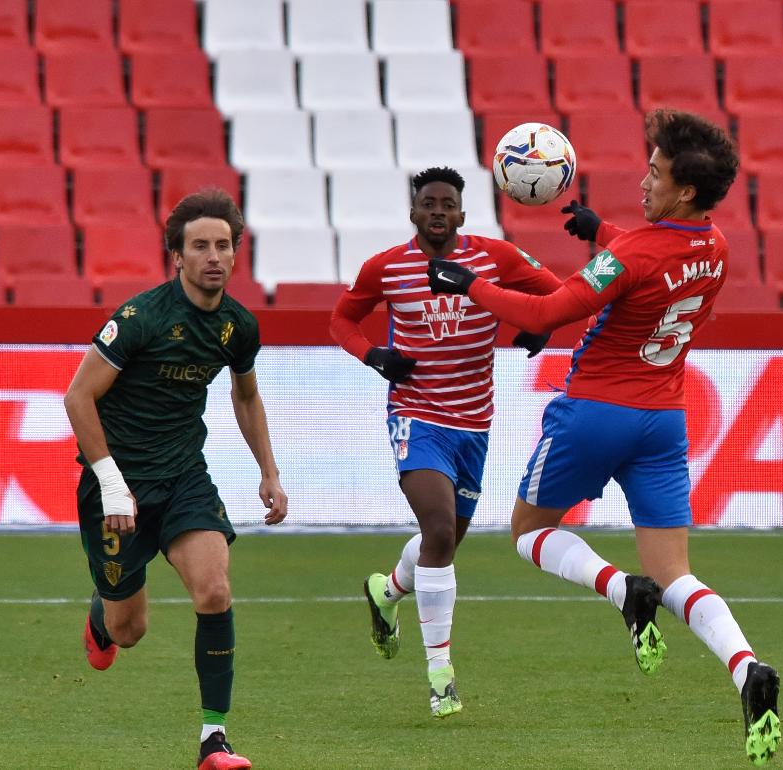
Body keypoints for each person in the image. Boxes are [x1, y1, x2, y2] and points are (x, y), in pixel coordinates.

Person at [426, 110, 782, 765]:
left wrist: (470, 284)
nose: (644, 181)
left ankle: (620, 588)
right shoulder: (717, 246)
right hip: (663, 421)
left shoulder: (634, 254)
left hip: (594, 413)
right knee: (676, 573)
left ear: (685, 191)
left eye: (656, 173)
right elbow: (655, 260)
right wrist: (603, 233)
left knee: (529, 531)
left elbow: (547, 310)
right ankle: (747, 669)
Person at [64, 189, 288, 770]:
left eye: (223, 245)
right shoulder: (140, 319)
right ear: (177, 257)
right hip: (118, 484)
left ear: (235, 253)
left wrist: (269, 471)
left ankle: (214, 739)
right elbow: (78, 397)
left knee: (214, 591)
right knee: (129, 630)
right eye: (200, 246)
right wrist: (111, 481)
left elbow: (246, 396)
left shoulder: (238, 326)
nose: (213, 256)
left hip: (185, 476)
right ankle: (103, 614)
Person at [330, 166, 562, 718]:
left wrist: (543, 325)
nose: (438, 211)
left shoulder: (495, 258)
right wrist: (373, 355)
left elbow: (558, 292)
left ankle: (387, 591)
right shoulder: (386, 267)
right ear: (413, 212)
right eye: (428, 203)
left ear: (462, 213)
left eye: (448, 203)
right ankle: (441, 676)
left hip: (474, 423)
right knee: (437, 531)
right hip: (416, 416)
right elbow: (342, 319)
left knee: (446, 544)